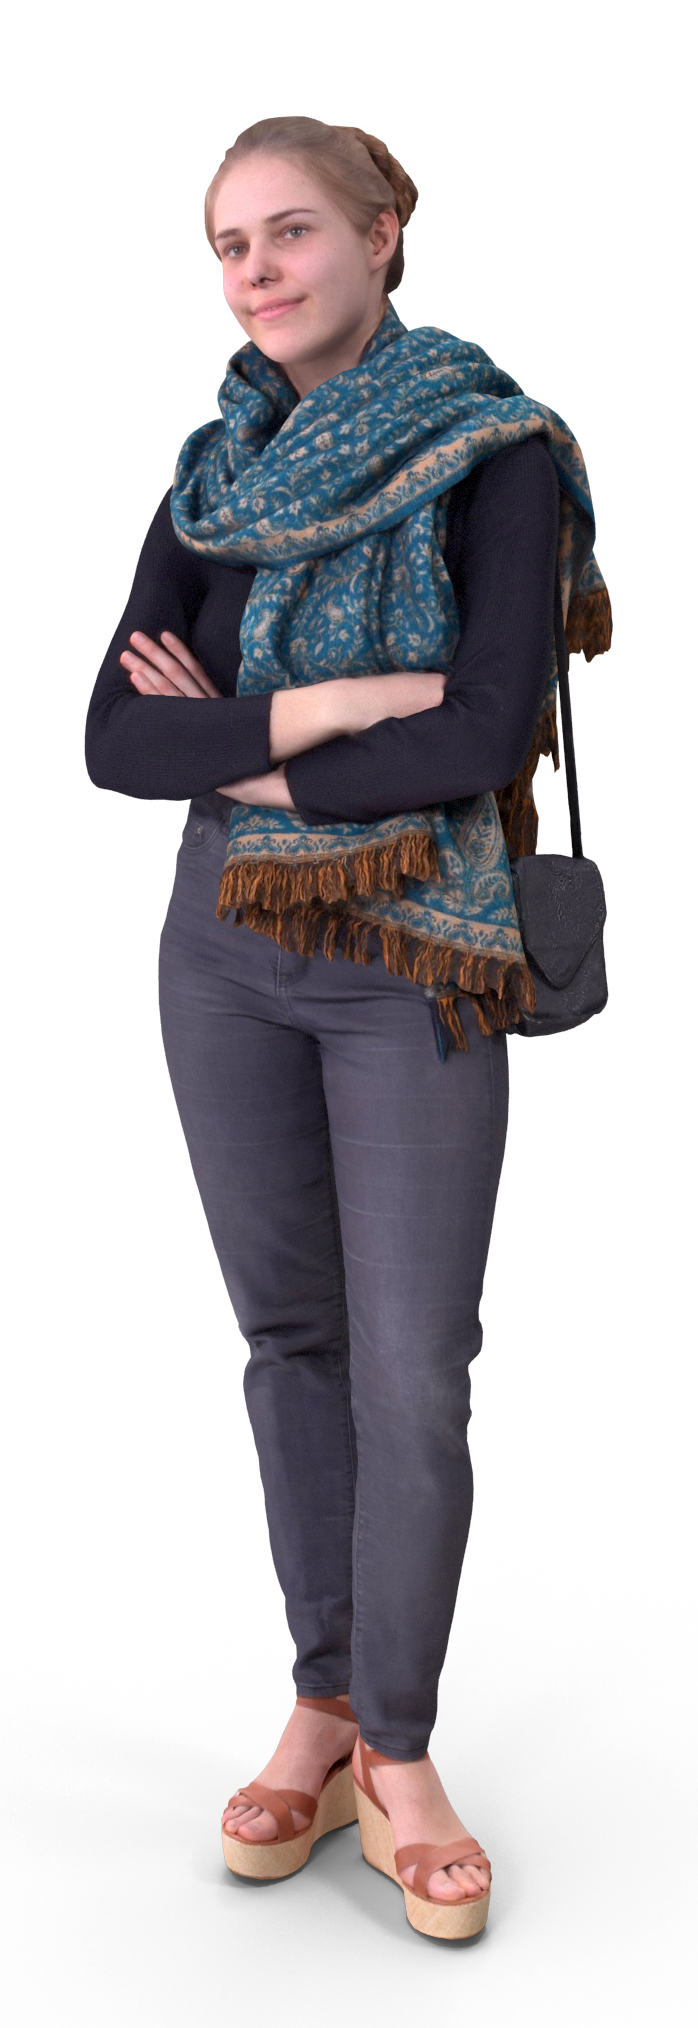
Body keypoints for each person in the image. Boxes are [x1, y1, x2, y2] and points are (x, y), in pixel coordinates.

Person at [85, 118, 568, 1935]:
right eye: (228, 248)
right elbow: (114, 743)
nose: (256, 274)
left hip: (414, 959)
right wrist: (348, 705)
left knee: (412, 1371)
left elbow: (488, 727)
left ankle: (407, 1750)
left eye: (288, 232)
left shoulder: (491, 453)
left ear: (380, 234)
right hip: (215, 949)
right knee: (286, 1341)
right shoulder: (214, 475)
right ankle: (323, 1702)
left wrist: (239, 748)